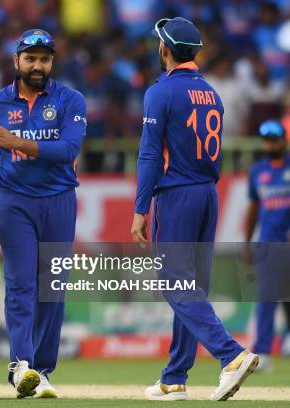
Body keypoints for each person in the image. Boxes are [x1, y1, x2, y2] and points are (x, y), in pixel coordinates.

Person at [130, 17, 258, 401]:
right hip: (207, 193)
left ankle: (231, 355)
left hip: (178, 195)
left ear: (165, 49)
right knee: (191, 287)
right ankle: (174, 378)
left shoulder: (161, 92)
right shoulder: (211, 92)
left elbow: (151, 153)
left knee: (174, 282)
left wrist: (140, 209)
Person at [0, 29, 86, 399]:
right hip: (14, 201)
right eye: (31, 58)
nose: (37, 65)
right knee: (21, 282)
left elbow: (68, 149)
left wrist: (15, 142)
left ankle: (42, 371)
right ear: (17, 62)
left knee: (52, 288)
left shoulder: (71, 100)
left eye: (44, 59)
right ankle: (20, 364)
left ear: (51, 62)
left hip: (59, 199)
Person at [244, 120, 290, 372]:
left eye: (274, 139)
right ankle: (263, 352)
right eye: (266, 140)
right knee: (266, 296)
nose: (270, 144)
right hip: (268, 243)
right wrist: (247, 240)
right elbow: (253, 207)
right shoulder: (257, 171)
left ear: (283, 140)